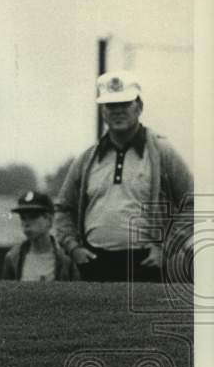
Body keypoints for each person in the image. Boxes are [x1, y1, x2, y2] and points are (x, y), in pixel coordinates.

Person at [55, 71, 193, 283]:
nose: (118, 111)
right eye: (111, 105)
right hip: (94, 263)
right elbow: (64, 208)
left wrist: (166, 249)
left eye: (125, 103)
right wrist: (74, 249)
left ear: (139, 107)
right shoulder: (87, 158)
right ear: (103, 112)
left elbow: (191, 202)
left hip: (146, 264)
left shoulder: (161, 152)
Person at [1, 191, 78, 282]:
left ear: (49, 219)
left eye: (33, 216)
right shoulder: (12, 258)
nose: (26, 223)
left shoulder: (67, 260)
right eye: (23, 217)